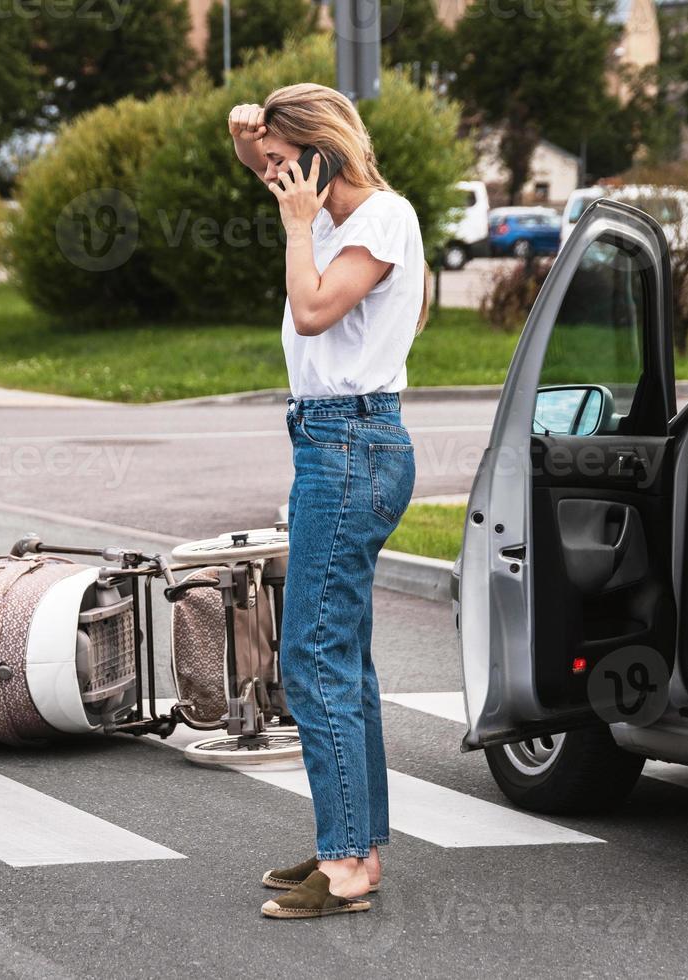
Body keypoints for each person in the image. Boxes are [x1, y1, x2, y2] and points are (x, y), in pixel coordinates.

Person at [227, 82, 425, 920]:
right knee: (342, 655)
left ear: (321, 155)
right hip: (336, 442)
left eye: (282, 164)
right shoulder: (349, 219)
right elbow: (276, 168)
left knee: (310, 656)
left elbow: (310, 312)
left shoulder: (375, 219)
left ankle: (345, 865)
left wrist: (296, 224)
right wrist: (248, 140)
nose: (271, 180)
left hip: (349, 445)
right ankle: (356, 845)